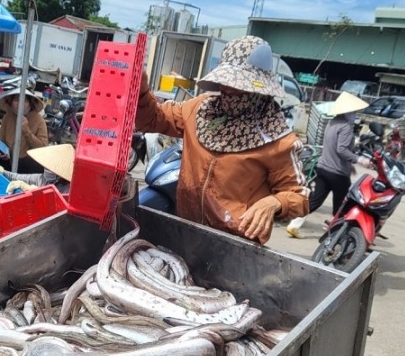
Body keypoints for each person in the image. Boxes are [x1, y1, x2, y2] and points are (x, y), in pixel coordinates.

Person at [135, 35, 309, 245]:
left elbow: (299, 197)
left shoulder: (278, 139)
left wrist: (274, 202)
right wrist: (141, 91)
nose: (227, 89)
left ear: (258, 90)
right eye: (225, 82)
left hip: (233, 244)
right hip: (186, 227)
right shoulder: (200, 109)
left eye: (237, 85)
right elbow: (154, 119)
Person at [286, 91, 371, 238]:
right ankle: (334, 234)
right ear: (348, 112)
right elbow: (341, 150)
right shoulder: (346, 128)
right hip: (337, 173)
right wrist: (358, 159)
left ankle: (293, 225)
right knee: (341, 205)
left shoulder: (332, 123)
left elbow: (333, 148)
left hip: (323, 168)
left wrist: (349, 164)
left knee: (315, 200)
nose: (356, 115)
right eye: (354, 112)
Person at [0, 143, 74, 194]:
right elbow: (14, 177)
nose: (47, 169)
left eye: (51, 168)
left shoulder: (70, 189)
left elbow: (59, 201)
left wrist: (34, 190)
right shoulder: (42, 179)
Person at [0, 88, 49, 174]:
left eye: (25, 101)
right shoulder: (8, 117)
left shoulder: (39, 121)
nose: (20, 104)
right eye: (16, 100)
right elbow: (2, 140)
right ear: (11, 102)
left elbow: (42, 147)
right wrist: (2, 152)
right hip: (9, 160)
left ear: (30, 104)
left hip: (29, 165)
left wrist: (26, 130)